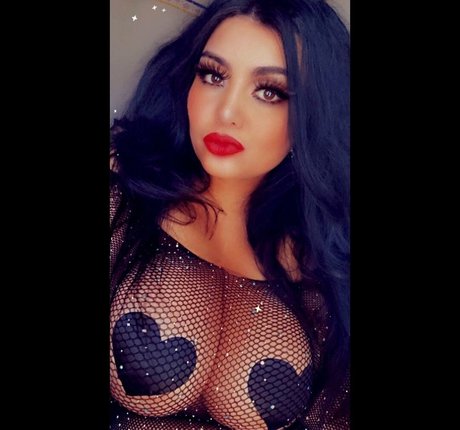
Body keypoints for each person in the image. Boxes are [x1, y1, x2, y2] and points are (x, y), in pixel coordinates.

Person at [109, 0, 350, 429]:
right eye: (213, 75)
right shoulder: (121, 198)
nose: (226, 113)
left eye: (270, 92)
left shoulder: (329, 266)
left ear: (317, 114)